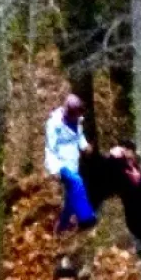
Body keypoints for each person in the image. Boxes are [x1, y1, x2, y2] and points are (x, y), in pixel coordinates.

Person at [44, 95, 96, 233]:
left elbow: (79, 138)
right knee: (77, 182)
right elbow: (50, 148)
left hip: (73, 162)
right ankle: (86, 218)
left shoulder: (78, 121)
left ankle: (61, 226)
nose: (76, 117)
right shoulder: (54, 124)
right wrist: (55, 169)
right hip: (60, 164)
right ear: (68, 112)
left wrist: (85, 147)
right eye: (74, 114)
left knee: (71, 196)